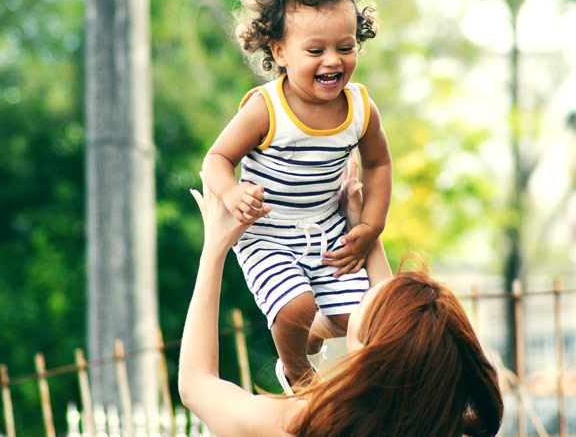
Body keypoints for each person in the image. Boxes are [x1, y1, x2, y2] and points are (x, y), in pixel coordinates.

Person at [201, 0, 392, 391]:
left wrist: (370, 226)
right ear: (280, 51)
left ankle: (315, 334)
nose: (333, 60)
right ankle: (298, 374)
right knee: (294, 308)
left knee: (356, 318)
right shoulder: (266, 109)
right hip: (268, 232)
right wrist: (231, 192)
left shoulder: (361, 108)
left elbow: (379, 165)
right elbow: (216, 158)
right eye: (315, 51)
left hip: (326, 228)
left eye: (345, 47)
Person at [178, 182, 504, 437]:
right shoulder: (447, 427)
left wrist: (215, 248)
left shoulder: (300, 425)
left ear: (366, 352)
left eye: (364, 300)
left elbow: (196, 384)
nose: (363, 292)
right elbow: (397, 335)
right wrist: (362, 229)